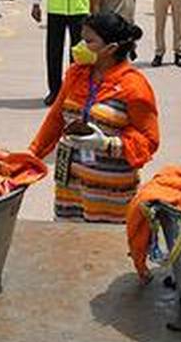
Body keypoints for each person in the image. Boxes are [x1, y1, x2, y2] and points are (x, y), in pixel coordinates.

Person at [30, 12, 160, 223]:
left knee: (104, 248)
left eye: (89, 41)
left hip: (110, 195)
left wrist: (108, 144)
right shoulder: (76, 74)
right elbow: (55, 120)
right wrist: (31, 155)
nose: (81, 45)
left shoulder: (134, 87)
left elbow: (150, 141)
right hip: (70, 188)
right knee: (68, 244)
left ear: (110, 49)